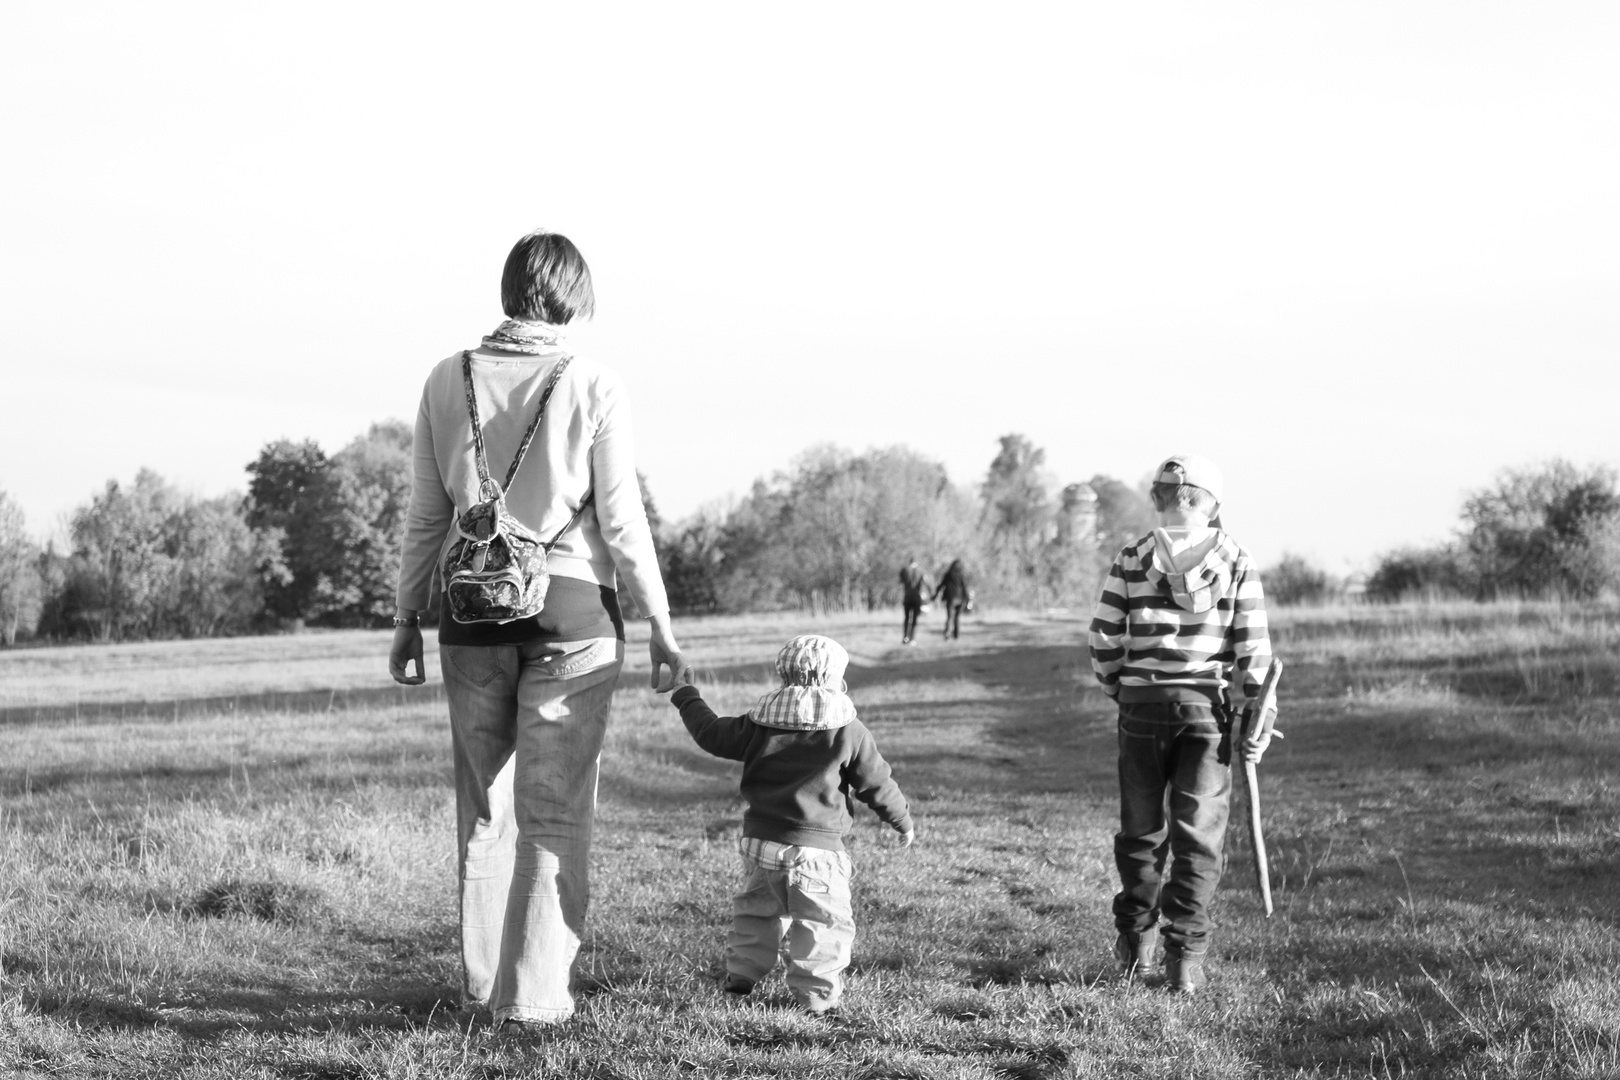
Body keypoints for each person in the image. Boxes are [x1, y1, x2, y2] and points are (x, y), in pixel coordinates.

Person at [388, 229, 683, 1031]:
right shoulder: (593, 382)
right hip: (575, 616)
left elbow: (425, 516)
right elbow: (622, 520)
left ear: (510, 288)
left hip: (469, 620)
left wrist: (408, 618)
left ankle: (480, 988)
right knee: (553, 813)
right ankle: (533, 1000)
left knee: (485, 813)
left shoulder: (444, 381)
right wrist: (660, 622)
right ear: (575, 296)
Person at [1086, 453, 1275, 994]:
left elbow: (1102, 637)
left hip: (1142, 709)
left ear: (1157, 498)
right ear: (1212, 507)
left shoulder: (1130, 556)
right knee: (1199, 837)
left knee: (1142, 832)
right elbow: (1253, 652)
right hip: (1207, 714)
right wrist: (1258, 715)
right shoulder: (1238, 559)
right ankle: (1184, 959)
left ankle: (1136, 946)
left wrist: (1118, 688)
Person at [667, 635, 914, 1015]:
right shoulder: (849, 730)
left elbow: (710, 733)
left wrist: (686, 694)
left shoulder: (758, 723)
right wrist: (901, 820)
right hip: (818, 854)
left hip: (760, 845)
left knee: (756, 911)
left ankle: (741, 974)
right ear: (834, 678)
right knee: (822, 923)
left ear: (784, 674)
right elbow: (876, 783)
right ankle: (815, 995)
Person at [932, 558, 972, 639]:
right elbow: (965, 587)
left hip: (951, 599)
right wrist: (968, 599)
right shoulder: (962, 575)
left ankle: (947, 633)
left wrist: (935, 595)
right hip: (960, 600)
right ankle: (956, 635)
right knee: (956, 617)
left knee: (950, 617)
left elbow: (941, 585)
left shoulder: (948, 575)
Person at [898, 556, 930, 644]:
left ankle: (905, 637)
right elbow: (926, 583)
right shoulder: (921, 571)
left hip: (907, 597)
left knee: (907, 618)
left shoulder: (904, 570)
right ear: (916, 562)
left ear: (910, 562)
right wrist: (930, 595)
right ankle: (912, 638)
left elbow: (900, 582)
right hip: (917, 597)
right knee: (915, 618)